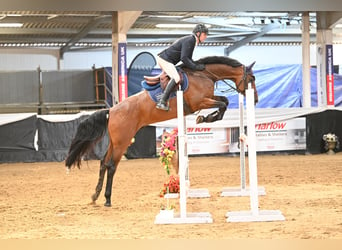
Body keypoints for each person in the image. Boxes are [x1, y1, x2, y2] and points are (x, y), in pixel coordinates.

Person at [156, 23, 209, 111]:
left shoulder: (192, 41)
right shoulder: (190, 40)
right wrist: (196, 67)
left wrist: (196, 65)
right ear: (198, 34)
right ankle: (162, 102)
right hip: (164, 60)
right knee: (176, 78)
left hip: (169, 60)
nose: (206, 36)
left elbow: (188, 58)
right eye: (204, 34)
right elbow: (184, 58)